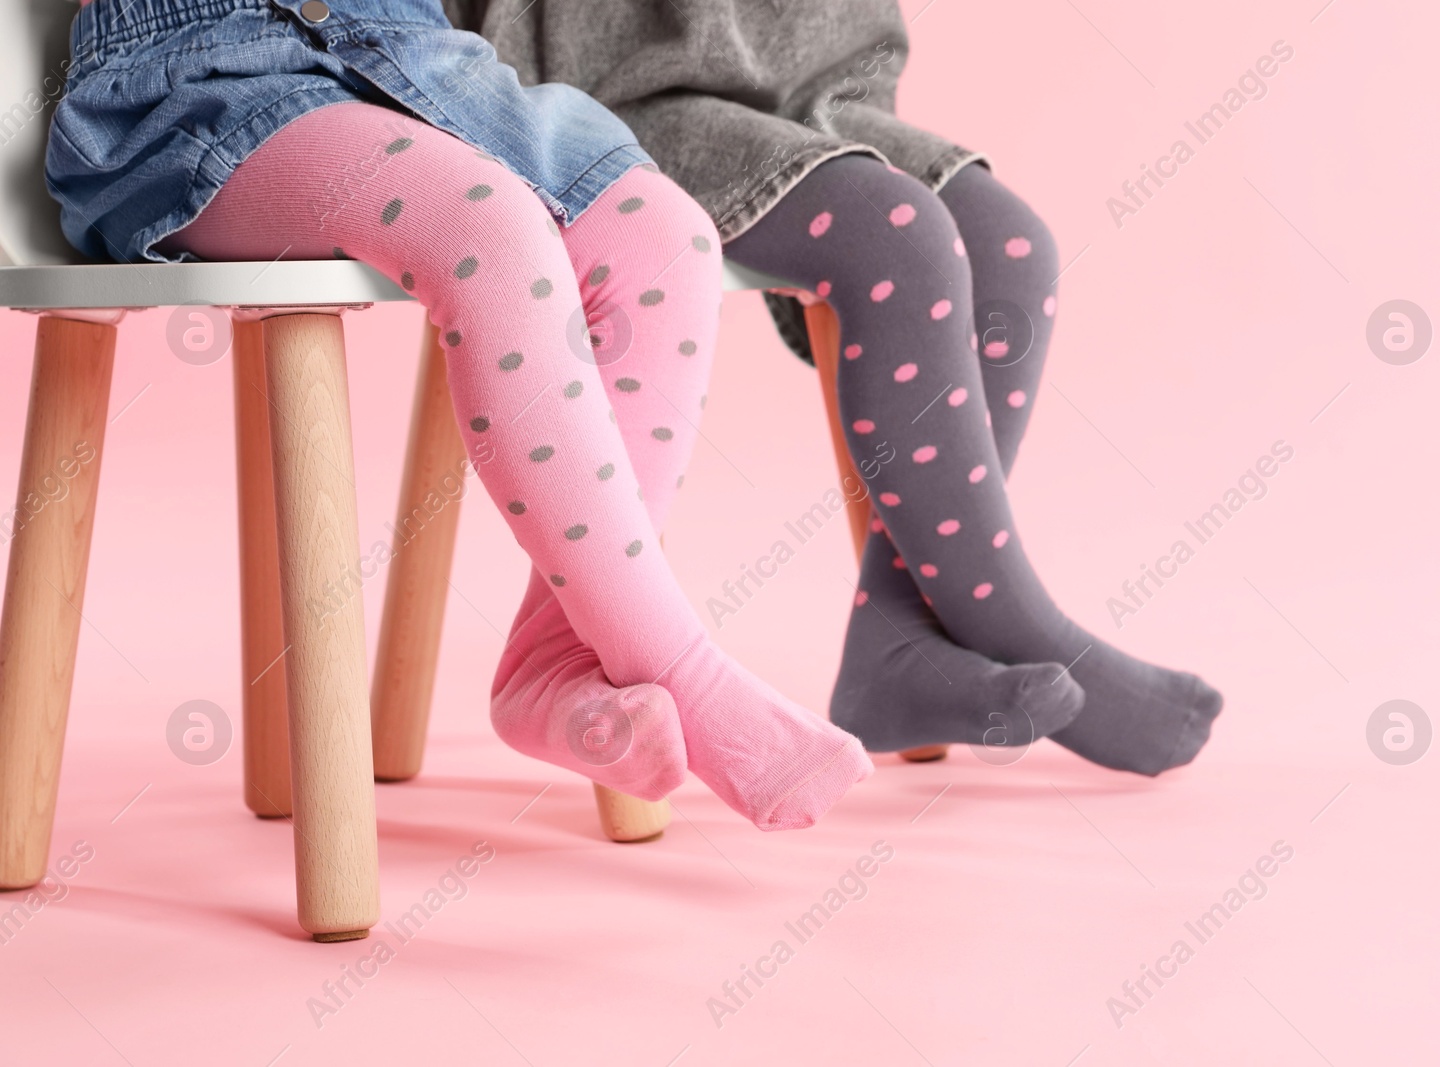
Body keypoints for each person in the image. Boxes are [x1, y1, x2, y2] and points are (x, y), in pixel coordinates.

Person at [47, 0, 872, 828]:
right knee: (486, 229)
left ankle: (554, 656)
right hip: (206, 79)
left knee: (665, 237)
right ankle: (679, 663)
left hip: (410, 60)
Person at [451, 0, 1223, 774]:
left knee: (1011, 249)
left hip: (811, 69)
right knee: (898, 242)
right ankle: (1010, 615)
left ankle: (895, 635)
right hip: (618, 88)